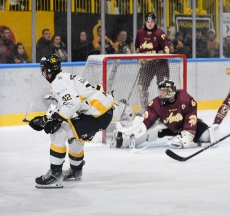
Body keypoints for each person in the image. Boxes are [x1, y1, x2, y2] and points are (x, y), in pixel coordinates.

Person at [29, 53, 114, 188]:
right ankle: (75, 171)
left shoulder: (58, 82)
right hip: (102, 112)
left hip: (97, 115)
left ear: (46, 71)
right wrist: (45, 119)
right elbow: (65, 105)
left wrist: (56, 121)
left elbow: (72, 103)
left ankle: (55, 175)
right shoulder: (64, 77)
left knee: (59, 132)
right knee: (75, 136)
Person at [113, 79, 220, 150]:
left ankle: (206, 133)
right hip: (167, 126)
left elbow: (190, 118)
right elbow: (146, 121)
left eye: (163, 91)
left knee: (206, 136)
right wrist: (132, 133)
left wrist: (188, 138)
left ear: (170, 92)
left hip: (183, 125)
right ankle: (124, 139)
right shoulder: (156, 103)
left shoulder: (185, 99)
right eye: (160, 91)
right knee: (149, 132)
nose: (161, 94)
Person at [135, 12, 170, 114]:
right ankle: (144, 109)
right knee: (141, 85)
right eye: (148, 21)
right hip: (147, 64)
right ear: (145, 22)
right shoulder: (140, 33)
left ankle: (165, 110)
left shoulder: (160, 33)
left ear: (155, 22)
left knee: (164, 86)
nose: (150, 24)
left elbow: (167, 50)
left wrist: (158, 53)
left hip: (160, 63)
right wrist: (140, 58)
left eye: (152, 21)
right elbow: (137, 48)